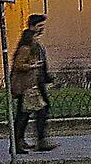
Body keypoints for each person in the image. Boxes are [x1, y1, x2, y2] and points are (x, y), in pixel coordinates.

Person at [9, 14, 56, 153]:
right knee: (26, 114)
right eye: (39, 26)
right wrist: (33, 66)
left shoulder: (34, 42)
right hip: (28, 85)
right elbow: (19, 64)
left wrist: (46, 77)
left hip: (35, 83)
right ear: (32, 27)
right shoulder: (27, 43)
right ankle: (18, 144)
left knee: (36, 111)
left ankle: (23, 141)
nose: (42, 29)